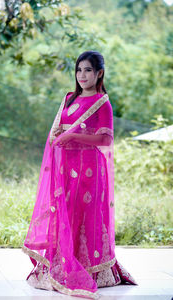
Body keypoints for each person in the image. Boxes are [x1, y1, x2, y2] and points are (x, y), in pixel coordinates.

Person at [22, 50, 136, 299]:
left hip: (89, 170)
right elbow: (56, 133)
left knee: (85, 215)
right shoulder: (68, 99)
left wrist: (73, 135)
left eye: (88, 70)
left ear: (99, 73)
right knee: (64, 212)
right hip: (65, 168)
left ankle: (90, 269)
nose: (82, 75)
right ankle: (60, 264)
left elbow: (106, 139)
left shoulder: (102, 102)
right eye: (79, 70)